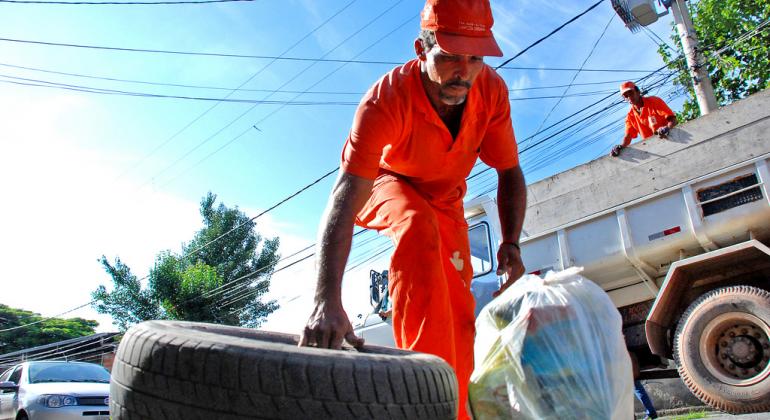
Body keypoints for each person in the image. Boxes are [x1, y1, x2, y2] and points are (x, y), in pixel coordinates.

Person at [299, 0, 527, 418]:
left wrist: (511, 244)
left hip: (445, 199)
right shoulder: (384, 100)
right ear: (421, 50)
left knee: (457, 310)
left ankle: (456, 411)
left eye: (475, 58)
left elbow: (510, 171)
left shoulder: (490, 92)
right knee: (416, 226)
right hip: (383, 184)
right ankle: (422, 404)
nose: (464, 72)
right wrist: (325, 300)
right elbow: (345, 195)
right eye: (450, 57)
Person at [611, 81, 677, 157]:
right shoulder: (630, 117)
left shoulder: (654, 101)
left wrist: (667, 128)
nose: (629, 97)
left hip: (671, 140)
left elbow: (673, 120)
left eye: (631, 93)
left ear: (638, 91)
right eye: (626, 96)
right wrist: (620, 146)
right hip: (654, 149)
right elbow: (628, 137)